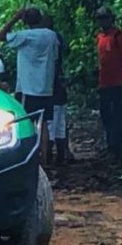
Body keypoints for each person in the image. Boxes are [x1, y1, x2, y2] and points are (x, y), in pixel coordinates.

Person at [0, 8, 59, 164]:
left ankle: (31, 159)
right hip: (46, 86)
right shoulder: (51, 36)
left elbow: (1, 36)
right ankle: (44, 159)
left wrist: (15, 18)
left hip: (28, 87)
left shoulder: (25, 36)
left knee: (26, 122)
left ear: (25, 21)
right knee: (43, 123)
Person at [95, 6, 122, 157]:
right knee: (106, 114)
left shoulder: (119, 36)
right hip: (104, 82)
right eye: (100, 18)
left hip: (118, 82)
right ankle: (110, 143)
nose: (103, 21)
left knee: (118, 115)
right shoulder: (100, 37)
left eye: (105, 18)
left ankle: (117, 146)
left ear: (111, 19)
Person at [42, 15, 69, 165]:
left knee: (52, 123)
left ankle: (50, 156)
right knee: (60, 124)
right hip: (58, 85)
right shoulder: (57, 38)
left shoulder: (48, 40)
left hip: (51, 86)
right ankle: (60, 155)